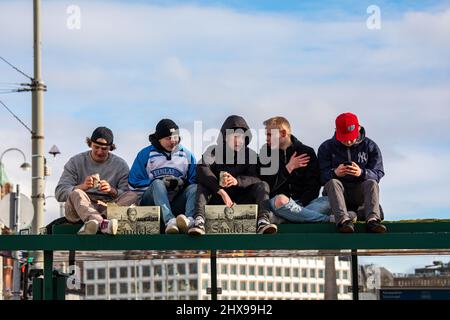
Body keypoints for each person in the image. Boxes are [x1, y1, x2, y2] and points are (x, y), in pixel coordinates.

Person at [188, 115, 277, 235]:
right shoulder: (213, 151)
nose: (239, 141)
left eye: (242, 138)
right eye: (235, 137)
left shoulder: (250, 154)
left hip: (242, 198)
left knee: (263, 185)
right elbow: (201, 169)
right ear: (225, 136)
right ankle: (199, 221)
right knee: (202, 185)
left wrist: (237, 181)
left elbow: (255, 177)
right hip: (218, 199)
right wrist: (220, 190)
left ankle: (263, 221)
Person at [55, 127, 138, 235]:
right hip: (78, 211)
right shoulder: (75, 162)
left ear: (110, 148)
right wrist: (82, 187)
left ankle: (97, 221)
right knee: (77, 193)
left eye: (104, 149)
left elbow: (126, 192)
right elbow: (59, 193)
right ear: (90, 144)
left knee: (133, 195)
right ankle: (102, 224)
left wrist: (112, 191)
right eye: (96, 147)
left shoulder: (120, 165)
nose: (99, 152)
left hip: (107, 208)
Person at [318, 112, 386, 233]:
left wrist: (362, 173)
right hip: (337, 195)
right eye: (345, 138)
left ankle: (372, 220)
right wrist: (335, 173)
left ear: (358, 128)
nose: (348, 142)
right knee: (333, 182)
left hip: (360, 194)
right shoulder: (326, 147)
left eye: (351, 137)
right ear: (336, 131)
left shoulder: (370, 146)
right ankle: (344, 221)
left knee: (371, 182)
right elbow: (320, 177)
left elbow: (379, 172)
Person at [128, 119, 197, 234]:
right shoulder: (145, 154)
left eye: (175, 137)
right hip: (151, 205)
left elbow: (193, 180)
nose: (172, 141)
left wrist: (181, 183)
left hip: (176, 202)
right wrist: (159, 182)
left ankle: (189, 221)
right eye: (168, 138)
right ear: (159, 138)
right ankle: (169, 221)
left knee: (195, 188)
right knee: (158, 184)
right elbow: (133, 183)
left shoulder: (187, 155)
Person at [259, 116, 333, 223]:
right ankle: (325, 219)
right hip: (278, 203)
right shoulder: (265, 153)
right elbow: (267, 185)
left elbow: (314, 184)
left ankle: (288, 218)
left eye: (270, 135)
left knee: (329, 201)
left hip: (304, 204)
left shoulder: (306, 152)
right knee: (280, 200)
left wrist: (299, 205)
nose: (266, 139)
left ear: (283, 133)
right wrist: (288, 168)